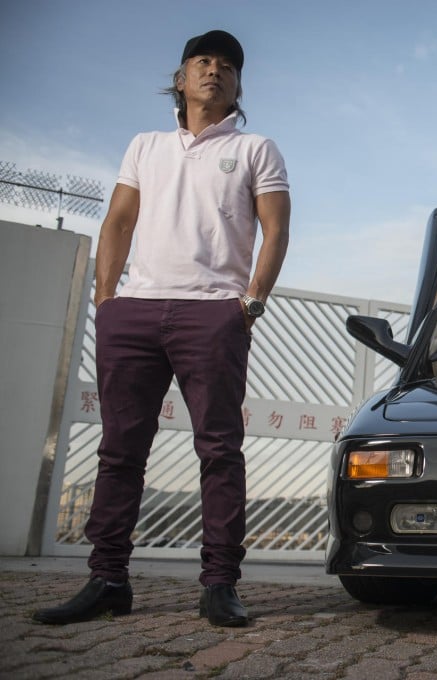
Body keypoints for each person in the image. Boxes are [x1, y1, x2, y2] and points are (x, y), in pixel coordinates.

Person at [33, 30, 290, 627]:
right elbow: (119, 221)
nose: (214, 70)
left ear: (238, 85)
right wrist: (107, 299)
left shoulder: (257, 149)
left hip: (214, 312)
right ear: (180, 78)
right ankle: (107, 579)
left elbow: (275, 231)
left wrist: (250, 303)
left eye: (227, 65)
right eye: (202, 61)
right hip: (136, 310)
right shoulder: (145, 145)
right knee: (120, 450)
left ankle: (219, 584)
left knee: (219, 450)